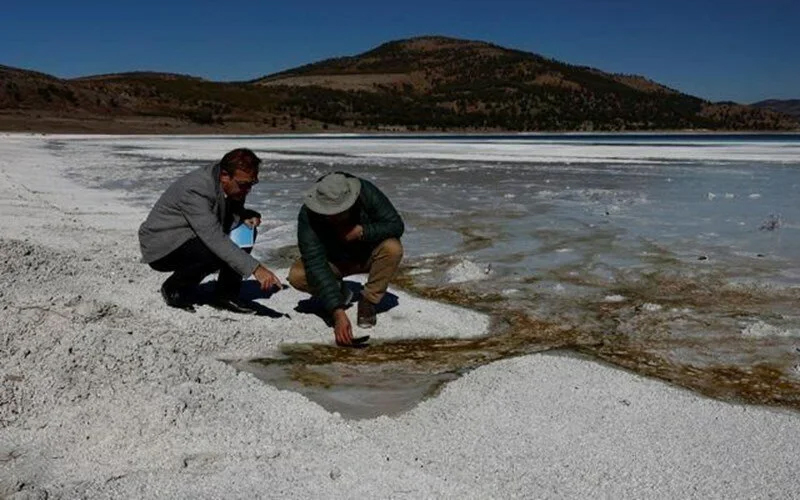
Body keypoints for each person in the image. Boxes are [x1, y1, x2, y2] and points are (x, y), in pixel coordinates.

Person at [138, 148, 281, 313]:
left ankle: (226, 294)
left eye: (252, 183)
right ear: (225, 176)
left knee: (245, 230)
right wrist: (256, 268)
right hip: (162, 245)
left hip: (191, 234)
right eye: (244, 184)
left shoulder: (230, 183)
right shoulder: (196, 188)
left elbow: (226, 212)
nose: (248, 190)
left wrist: (244, 215)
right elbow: (213, 236)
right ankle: (174, 287)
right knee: (212, 250)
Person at [288, 172, 404, 346]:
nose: (333, 217)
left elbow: (395, 225)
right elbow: (314, 261)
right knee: (298, 275)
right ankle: (338, 293)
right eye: (328, 213)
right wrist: (337, 311)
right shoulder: (308, 214)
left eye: (339, 212)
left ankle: (369, 300)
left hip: (367, 254)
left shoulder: (366, 193)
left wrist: (363, 232)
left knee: (392, 248)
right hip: (334, 261)